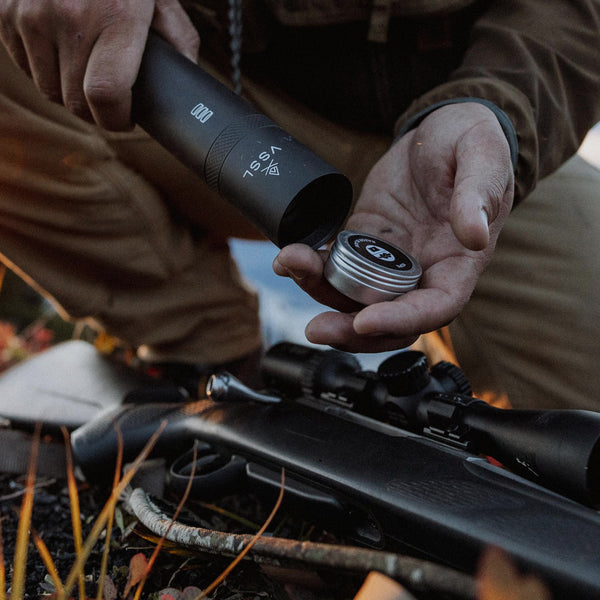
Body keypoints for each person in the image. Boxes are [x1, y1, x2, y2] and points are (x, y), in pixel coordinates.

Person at [0, 0, 598, 408]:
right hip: (219, 98)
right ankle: (215, 360)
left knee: (582, 416)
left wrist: (500, 108)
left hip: (467, 130)